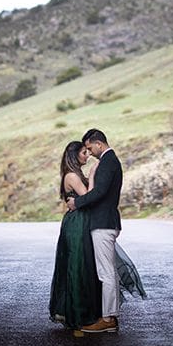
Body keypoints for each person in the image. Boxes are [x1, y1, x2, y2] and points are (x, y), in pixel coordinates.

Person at [65, 128, 129, 333]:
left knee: (106, 272)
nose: (90, 152)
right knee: (107, 270)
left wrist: (77, 202)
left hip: (103, 223)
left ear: (99, 144)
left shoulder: (108, 162)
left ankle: (108, 318)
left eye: (90, 148)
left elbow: (100, 192)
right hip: (104, 222)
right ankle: (110, 316)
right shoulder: (109, 161)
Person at [48, 141, 102, 330]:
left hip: (80, 221)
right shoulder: (71, 175)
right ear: (74, 155)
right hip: (77, 223)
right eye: (83, 153)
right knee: (78, 265)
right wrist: (94, 175)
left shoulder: (75, 174)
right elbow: (88, 196)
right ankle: (77, 313)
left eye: (88, 152)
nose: (87, 156)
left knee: (83, 265)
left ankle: (82, 310)